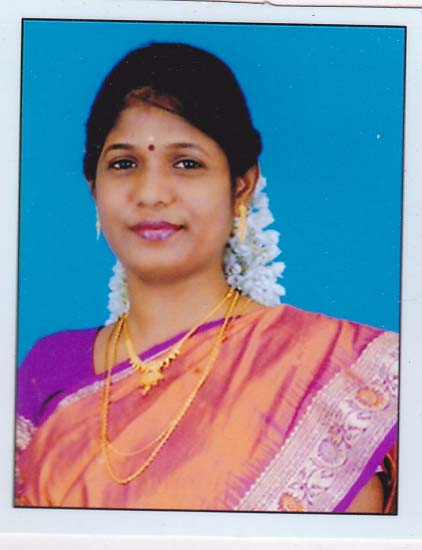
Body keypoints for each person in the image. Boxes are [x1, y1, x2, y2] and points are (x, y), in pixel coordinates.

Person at [15, 42, 398, 513]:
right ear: (94, 188)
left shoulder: (335, 373)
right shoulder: (50, 367)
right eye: (124, 164)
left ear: (242, 185)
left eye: (187, 163)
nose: (151, 193)